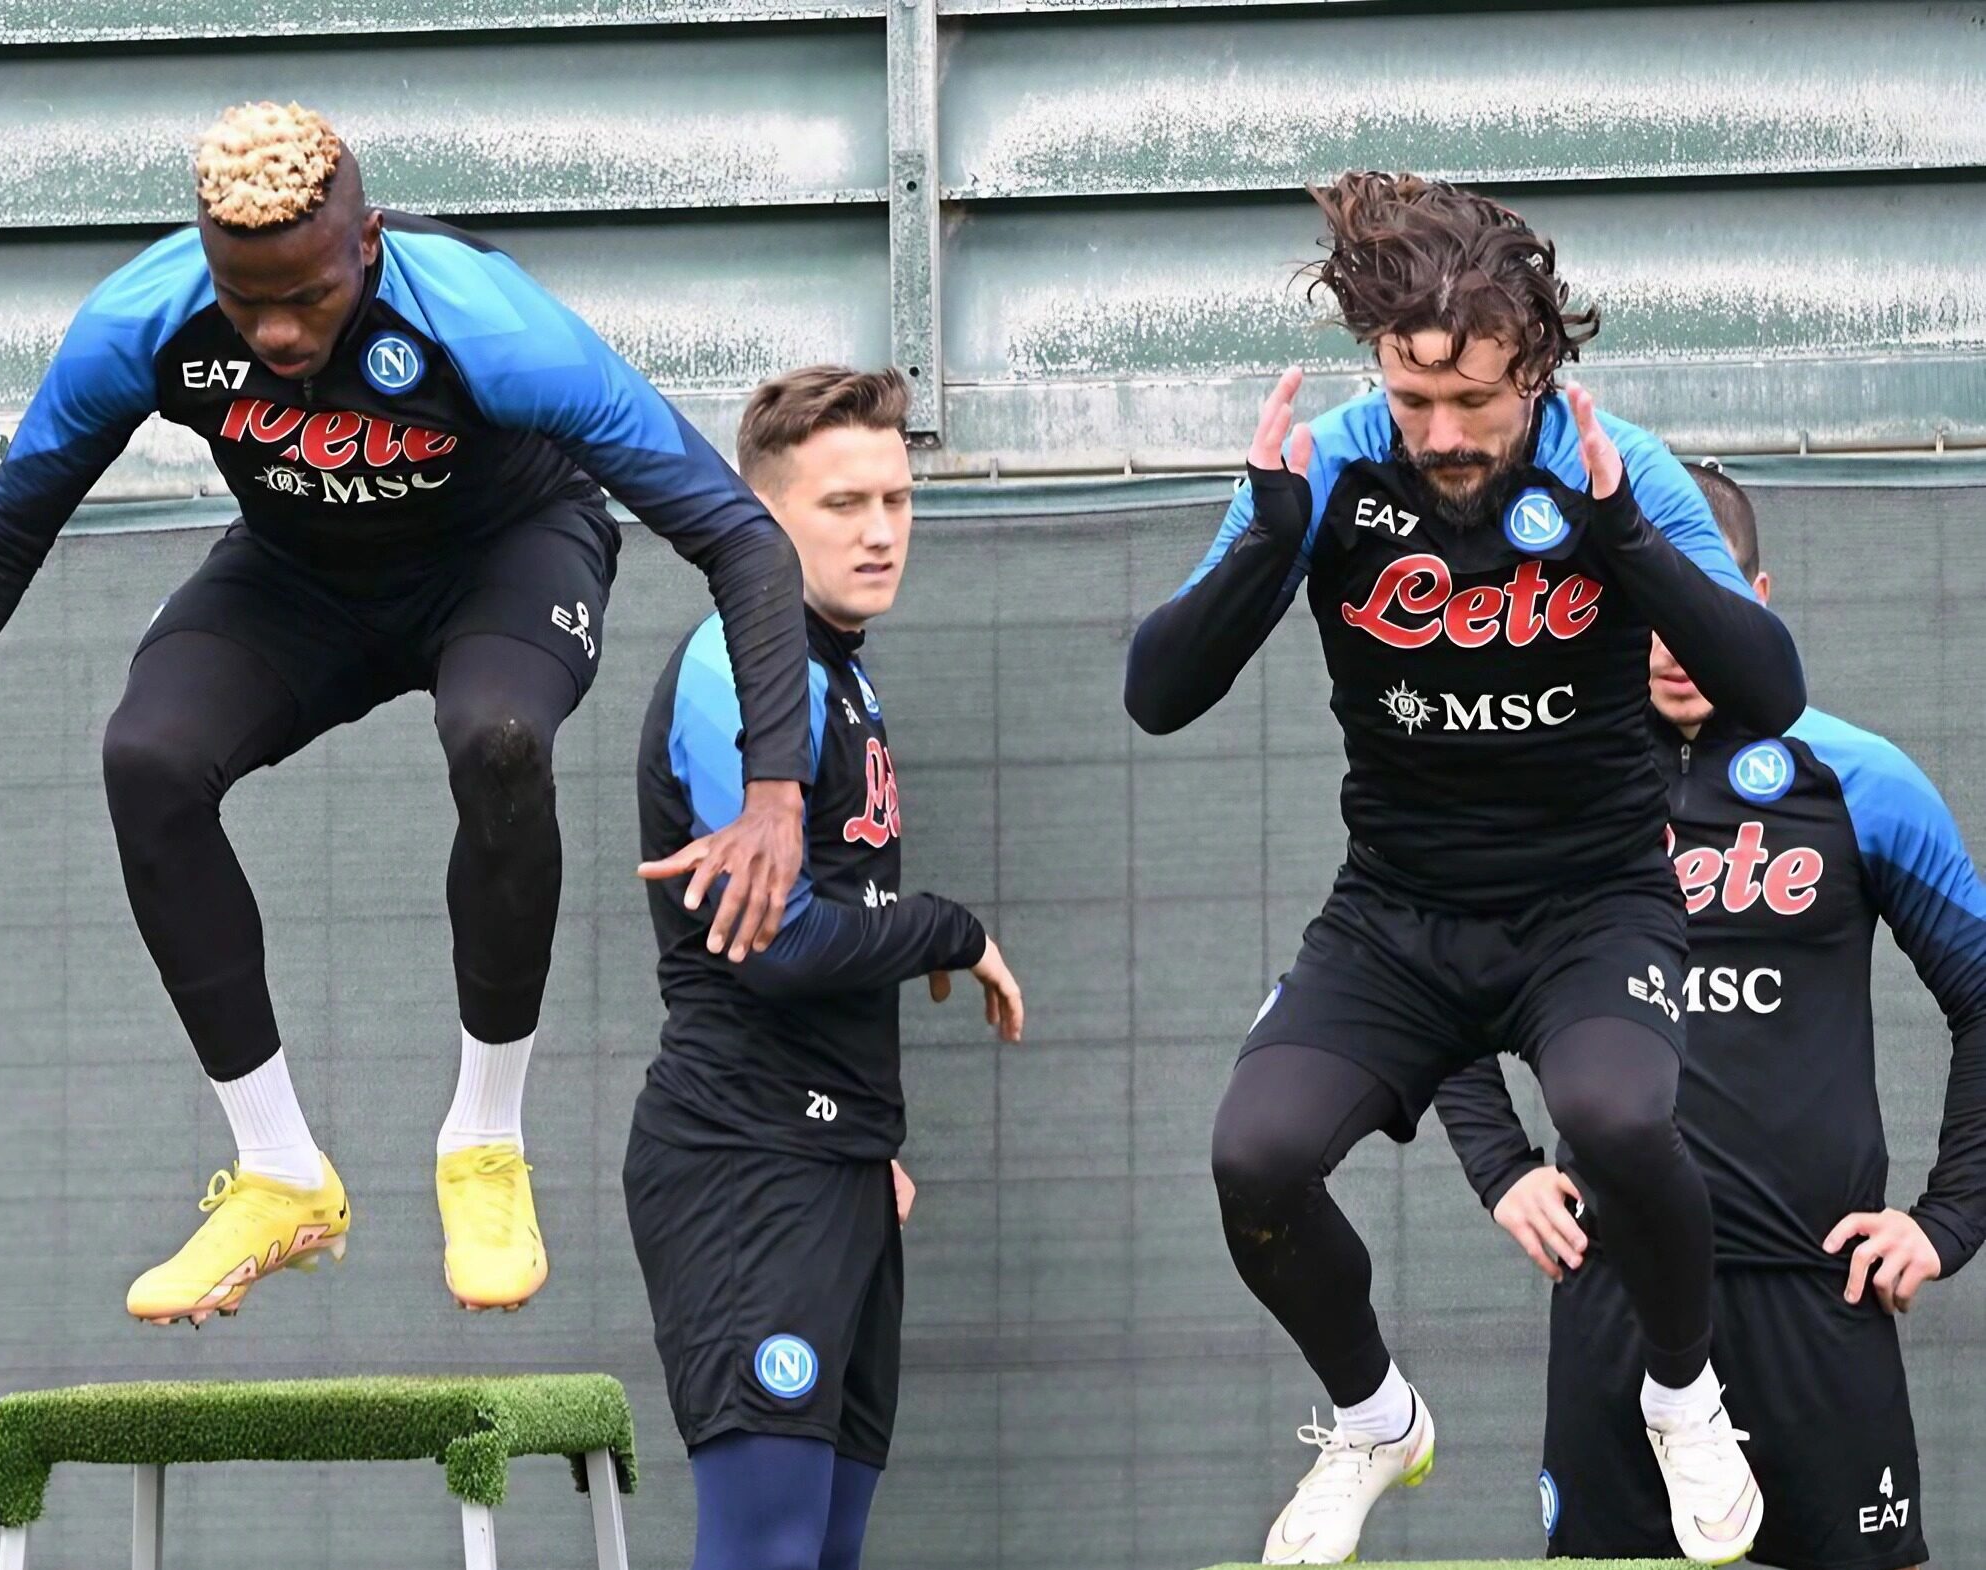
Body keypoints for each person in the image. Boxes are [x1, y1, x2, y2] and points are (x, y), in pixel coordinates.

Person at [0, 101, 812, 1324]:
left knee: (497, 741)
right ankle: (281, 1169)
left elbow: (741, 540)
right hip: (301, 570)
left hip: (506, 554)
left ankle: (485, 1143)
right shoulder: (145, 319)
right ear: (205, 267)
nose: (279, 332)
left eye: (310, 299)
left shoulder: (490, 324)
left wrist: (775, 786)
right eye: (248, 305)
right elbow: (3, 531)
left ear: (368, 244)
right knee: (148, 754)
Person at [1125, 172, 1806, 1565]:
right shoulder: (1327, 466)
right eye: (1411, 397)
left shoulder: (1625, 468)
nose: (1439, 435)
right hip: (1398, 912)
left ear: (1538, 367)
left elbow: (1770, 685)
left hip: (1593, 899)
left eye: (1475, 403)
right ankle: (1377, 1417)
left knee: (1617, 1119)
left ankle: (1684, 1392)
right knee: (1252, 1155)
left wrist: (1623, 537)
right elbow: (1157, 692)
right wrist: (1266, 538)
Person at [1436, 463, 1986, 1570]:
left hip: (1812, 1297)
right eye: (1649, 609)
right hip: (1615, 1305)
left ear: (1759, 599)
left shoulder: (1860, 780)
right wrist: (1500, 1166)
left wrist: (1949, 1217)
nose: (1674, 642)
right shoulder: (1549, 791)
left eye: (1706, 604)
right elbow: (1426, 981)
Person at [631, 365, 1024, 1570]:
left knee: (828, 1547)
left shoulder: (838, 665)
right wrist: (952, 930)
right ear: (761, 521)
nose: (878, 530)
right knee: (767, 1550)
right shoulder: (735, 674)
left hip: (834, 1158)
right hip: (745, 1165)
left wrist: (864, 1135)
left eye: (896, 500)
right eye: (841, 502)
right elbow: (777, 940)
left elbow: (838, 905)